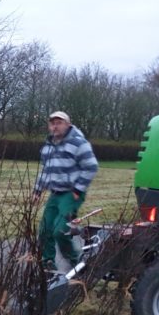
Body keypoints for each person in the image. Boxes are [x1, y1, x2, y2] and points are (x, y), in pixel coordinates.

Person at [33, 110, 98, 271]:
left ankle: (76, 264)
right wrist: (37, 190)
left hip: (71, 194)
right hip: (55, 193)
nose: (55, 126)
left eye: (59, 123)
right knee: (45, 230)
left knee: (60, 231)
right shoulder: (48, 146)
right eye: (52, 123)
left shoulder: (79, 143)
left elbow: (91, 166)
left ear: (67, 125)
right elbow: (46, 171)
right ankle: (48, 264)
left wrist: (78, 189)